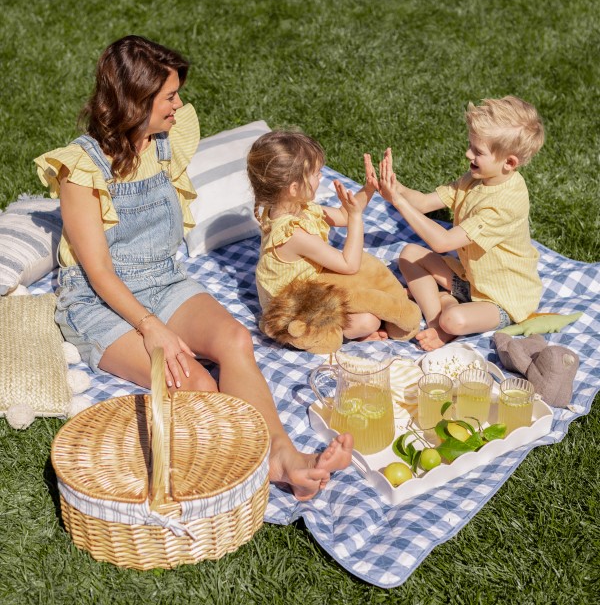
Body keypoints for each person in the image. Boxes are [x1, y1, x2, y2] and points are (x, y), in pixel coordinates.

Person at [35, 36, 352, 499]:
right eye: (169, 96)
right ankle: (253, 462)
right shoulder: (81, 168)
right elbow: (99, 271)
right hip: (97, 299)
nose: (179, 105)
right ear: (134, 101)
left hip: (161, 279)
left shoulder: (166, 140)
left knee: (235, 340)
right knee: (195, 381)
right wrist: (152, 329)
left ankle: (282, 452)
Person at [371, 96, 545, 351]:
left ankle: (446, 318)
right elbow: (422, 203)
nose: (468, 154)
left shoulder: (505, 204)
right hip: (469, 278)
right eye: (470, 145)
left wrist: (399, 202)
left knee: (454, 320)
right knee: (409, 254)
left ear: (509, 163)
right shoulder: (476, 179)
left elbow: (442, 242)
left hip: (501, 298)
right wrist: (393, 188)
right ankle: (435, 322)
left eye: (478, 151)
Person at [247, 129, 386, 341]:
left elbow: (341, 215)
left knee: (370, 286)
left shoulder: (293, 207)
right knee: (368, 321)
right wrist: (356, 218)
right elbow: (349, 265)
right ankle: (305, 335)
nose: (321, 176)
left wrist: (368, 189)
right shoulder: (293, 234)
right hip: (292, 309)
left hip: (307, 290)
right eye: (316, 173)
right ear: (294, 188)